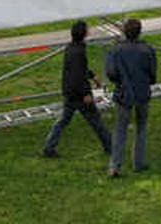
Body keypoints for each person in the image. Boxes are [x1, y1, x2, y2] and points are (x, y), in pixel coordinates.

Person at [43, 21, 112, 158]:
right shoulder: (79, 51)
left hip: (69, 92)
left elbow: (79, 69)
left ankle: (49, 147)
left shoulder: (71, 48)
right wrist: (86, 93)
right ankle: (110, 146)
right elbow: (78, 75)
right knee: (95, 120)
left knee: (63, 120)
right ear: (84, 33)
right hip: (79, 94)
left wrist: (92, 76)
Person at [105, 18, 157, 178]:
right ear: (139, 32)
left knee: (120, 130)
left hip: (123, 93)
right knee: (141, 127)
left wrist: (121, 81)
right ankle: (139, 162)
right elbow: (153, 75)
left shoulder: (116, 50)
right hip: (142, 93)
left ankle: (115, 165)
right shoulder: (147, 49)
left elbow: (111, 73)